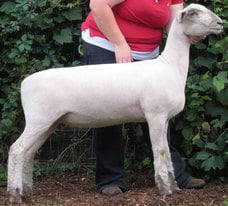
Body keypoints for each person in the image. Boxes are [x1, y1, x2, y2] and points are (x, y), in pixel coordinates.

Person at [81, 0, 206, 196]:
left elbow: (175, 22)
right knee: (108, 113)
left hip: (148, 56)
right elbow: (98, 5)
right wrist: (120, 44)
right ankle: (109, 179)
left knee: (159, 114)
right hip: (108, 46)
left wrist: (189, 32)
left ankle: (174, 175)